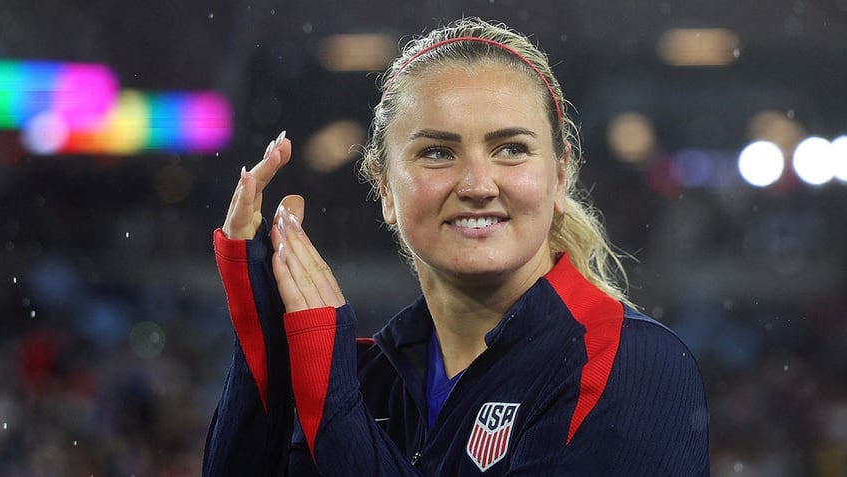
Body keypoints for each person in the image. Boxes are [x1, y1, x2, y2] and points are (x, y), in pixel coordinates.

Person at [202, 17, 710, 476]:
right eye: (437, 152)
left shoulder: (634, 363)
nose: (477, 183)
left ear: (558, 178)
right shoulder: (366, 380)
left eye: (511, 149)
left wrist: (329, 394)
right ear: (384, 189)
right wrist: (262, 337)